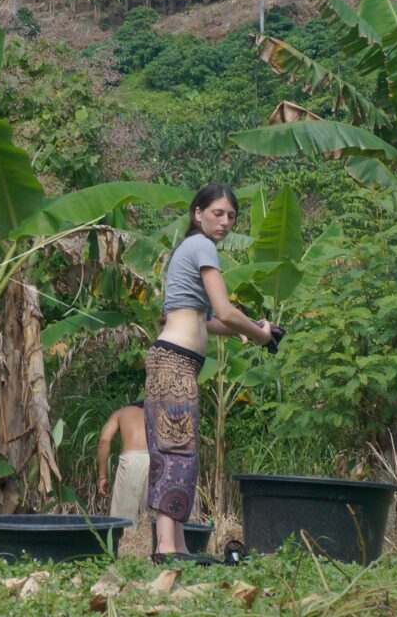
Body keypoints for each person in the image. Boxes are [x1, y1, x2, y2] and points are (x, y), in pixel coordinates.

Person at [147, 184, 275, 562]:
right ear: (197, 213)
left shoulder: (187, 249)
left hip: (173, 359)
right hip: (175, 362)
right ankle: (166, 547)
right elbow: (224, 311)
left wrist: (248, 328)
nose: (225, 221)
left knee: (175, 449)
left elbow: (205, 320)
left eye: (232, 216)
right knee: (177, 450)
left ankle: (176, 545)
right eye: (218, 213)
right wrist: (261, 335)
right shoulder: (202, 246)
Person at [97, 401, 148, 524]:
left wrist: (102, 476)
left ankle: (123, 542)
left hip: (131, 461)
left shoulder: (120, 413)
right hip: (157, 459)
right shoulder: (157, 412)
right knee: (151, 519)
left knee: (122, 521)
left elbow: (104, 440)